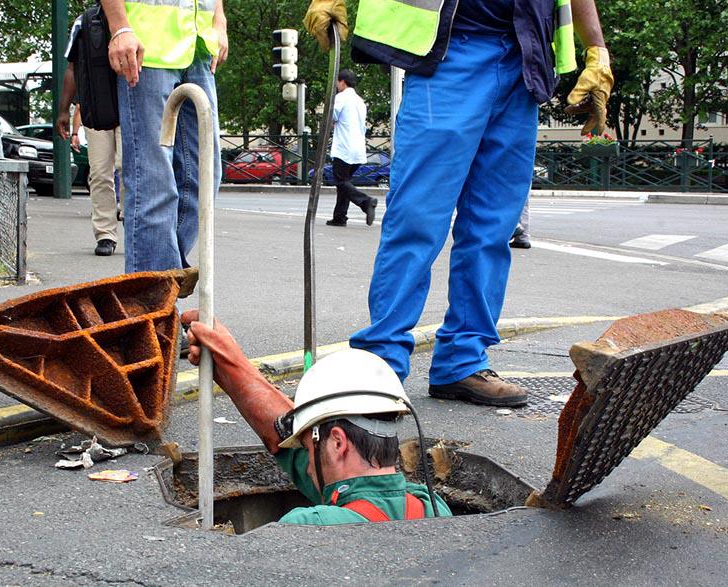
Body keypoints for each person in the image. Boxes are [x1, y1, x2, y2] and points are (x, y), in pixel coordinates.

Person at [304, 0, 612, 407]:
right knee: (417, 219)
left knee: (492, 229)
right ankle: (381, 361)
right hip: (451, 53)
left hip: (525, 60)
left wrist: (598, 50)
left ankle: (462, 361)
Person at [182, 310, 452, 524]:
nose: (308, 469)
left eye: (309, 449)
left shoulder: (309, 525)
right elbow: (289, 440)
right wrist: (230, 364)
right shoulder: (432, 509)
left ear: (338, 443)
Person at [100, 0, 229, 272]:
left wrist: (220, 18)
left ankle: (162, 279)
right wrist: (120, 26)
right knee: (153, 184)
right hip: (146, 48)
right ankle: (153, 298)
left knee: (205, 176)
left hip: (199, 46)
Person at [57, 15, 123, 257]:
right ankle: (105, 233)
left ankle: (134, 220)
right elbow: (72, 68)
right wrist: (64, 110)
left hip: (132, 102)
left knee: (129, 167)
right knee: (99, 172)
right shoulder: (83, 22)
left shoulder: (136, 14)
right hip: (97, 106)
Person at [326, 69, 378, 227]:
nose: (336, 85)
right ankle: (340, 217)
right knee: (345, 182)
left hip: (344, 148)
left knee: (340, 181)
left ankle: (366, 202)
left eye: (337, 82)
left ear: (342, 82)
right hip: (358, 149)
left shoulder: (341, 98)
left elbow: (331, 116)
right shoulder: (360, 101)